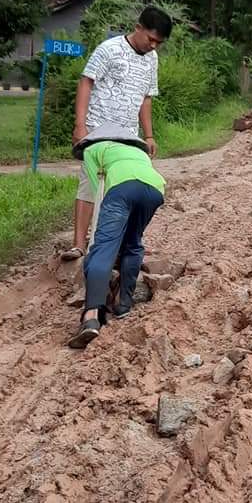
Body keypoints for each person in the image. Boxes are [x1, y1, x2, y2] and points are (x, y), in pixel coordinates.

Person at [62, 5, 172, 261]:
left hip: (128, 136)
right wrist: (80, 125)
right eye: (151, 39)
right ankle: (78, 244)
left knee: (123, 187)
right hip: (98, 130)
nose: (154, 46)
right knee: (89, 185)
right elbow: (86, 82)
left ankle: (115, 244)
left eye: (159, 42)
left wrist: (149, 135)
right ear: (138, 28)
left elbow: (146, 98)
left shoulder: (152, 59)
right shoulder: (109, 49)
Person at [69, 126, 166, 349]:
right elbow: (140, 179)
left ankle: (91, 315)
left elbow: (97, 191)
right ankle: (124, 305)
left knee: (102, 248)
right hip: (155, 189)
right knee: (132, 244)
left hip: (121, 190)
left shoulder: (93, 150)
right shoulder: (138, 152)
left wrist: (101, 235)